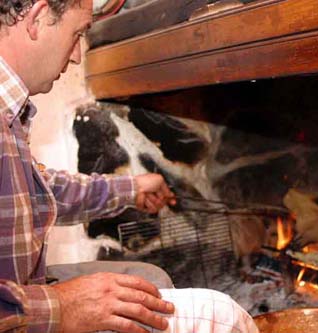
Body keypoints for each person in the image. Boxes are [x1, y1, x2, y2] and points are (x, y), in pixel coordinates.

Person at [0, 0, 259, 332]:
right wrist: (63, 307)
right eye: (77, 33)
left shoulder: (11, 111)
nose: (78, 54)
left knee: (149, 279)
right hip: (22, 309)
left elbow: (33, 192)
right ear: (37, 18)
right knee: (221, 314)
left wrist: (129, 189)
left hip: (23, 290)